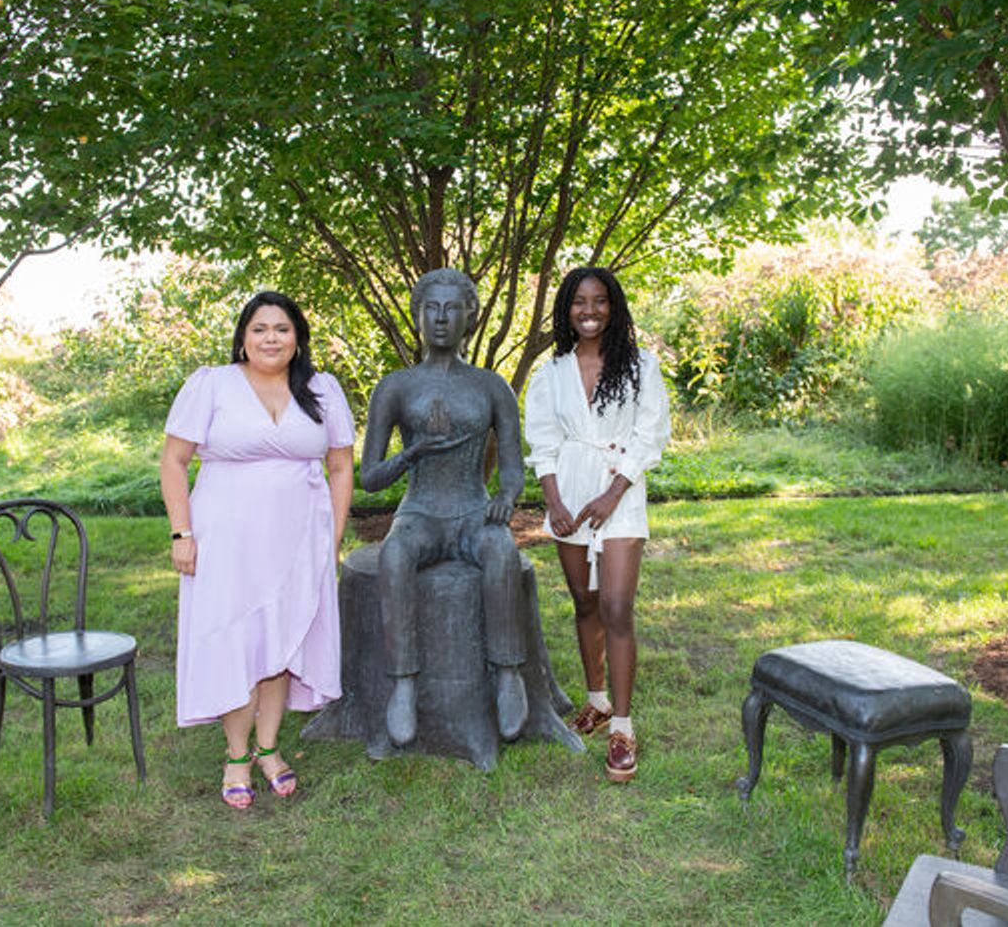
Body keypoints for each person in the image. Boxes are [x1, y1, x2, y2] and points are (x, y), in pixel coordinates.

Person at [160, 291, 354, 809]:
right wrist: (182, 534)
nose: (272, 338)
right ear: (243, 338)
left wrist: (330, 541)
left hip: (298, 541)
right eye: (260, 329)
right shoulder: (211, 385)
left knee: (281, 643)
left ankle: (269, 748)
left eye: (282, 329)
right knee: (235, 642)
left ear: (297, 338)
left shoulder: (321, 390)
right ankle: (236, 755)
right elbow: (174, 461)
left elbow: (339, 467)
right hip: (226, 542)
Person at [359, 268, 529, 747]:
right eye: (431, 308)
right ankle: (403, 683)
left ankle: (508, 673)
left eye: (452, 309)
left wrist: (505, 498)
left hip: (474, 510)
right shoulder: (395, 387)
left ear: (469, 319)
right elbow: (370, 478)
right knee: (394, 555)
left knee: (500, 550)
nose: (440, 318)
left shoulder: (492, 386)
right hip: (421, 512)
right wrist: (414, 451)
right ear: (416, 316)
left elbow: (513, 466)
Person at [523, 266, 670, 782]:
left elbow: (651, 433)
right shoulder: (553, 372)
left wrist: (613, 493)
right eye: (579, 302)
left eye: (599, 301)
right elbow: (541, 438)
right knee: (584, 602)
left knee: (616, 606)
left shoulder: (639, 366)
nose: (589, 311)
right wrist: (554, 502)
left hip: (619, 492)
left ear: (614, 306)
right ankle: (597, 700)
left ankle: (623, 727)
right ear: (566, 310)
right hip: (569, 490)